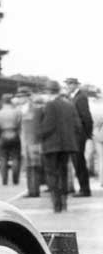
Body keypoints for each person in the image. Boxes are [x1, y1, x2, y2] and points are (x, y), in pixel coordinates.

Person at [39, 80, 79, 212]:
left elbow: (47, 126)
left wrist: (39, 135)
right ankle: (64, 202)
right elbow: (77, 126)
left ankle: (56, 204)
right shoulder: (69, 105)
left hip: (51, 146)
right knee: (63, 173)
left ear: (49, 92)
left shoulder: (50, 105)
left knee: (52, 174)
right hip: (67, 145)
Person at [65, 77, 94, 196]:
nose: (69, 86)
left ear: (76, 85)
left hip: (79, 134)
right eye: (68, 84)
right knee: (77, 161)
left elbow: (86, 117)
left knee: (79, 161)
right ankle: (83, 188)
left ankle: (85, 189)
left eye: (71, 84)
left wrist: (87, 133)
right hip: (75, 134)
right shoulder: (73, 97)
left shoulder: (81, 97)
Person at [0, 94, 22, 186]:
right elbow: (19, 125)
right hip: (14, 134)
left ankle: (4, 180)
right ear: (11, 101)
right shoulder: (16, 112)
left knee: (3, 159)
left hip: (2, 136)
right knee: (16, 158)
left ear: (2, 102)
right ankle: (15, 180)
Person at [18, 89, 44, 197]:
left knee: (35, 168)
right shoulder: (19, 110)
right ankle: (31, 190)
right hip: (25, 143)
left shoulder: (36, 110)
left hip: (34, 142)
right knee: (28, 168)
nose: (19, 99)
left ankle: (35, 191)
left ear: (28, 97)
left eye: (21, 96)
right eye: (19, 97)